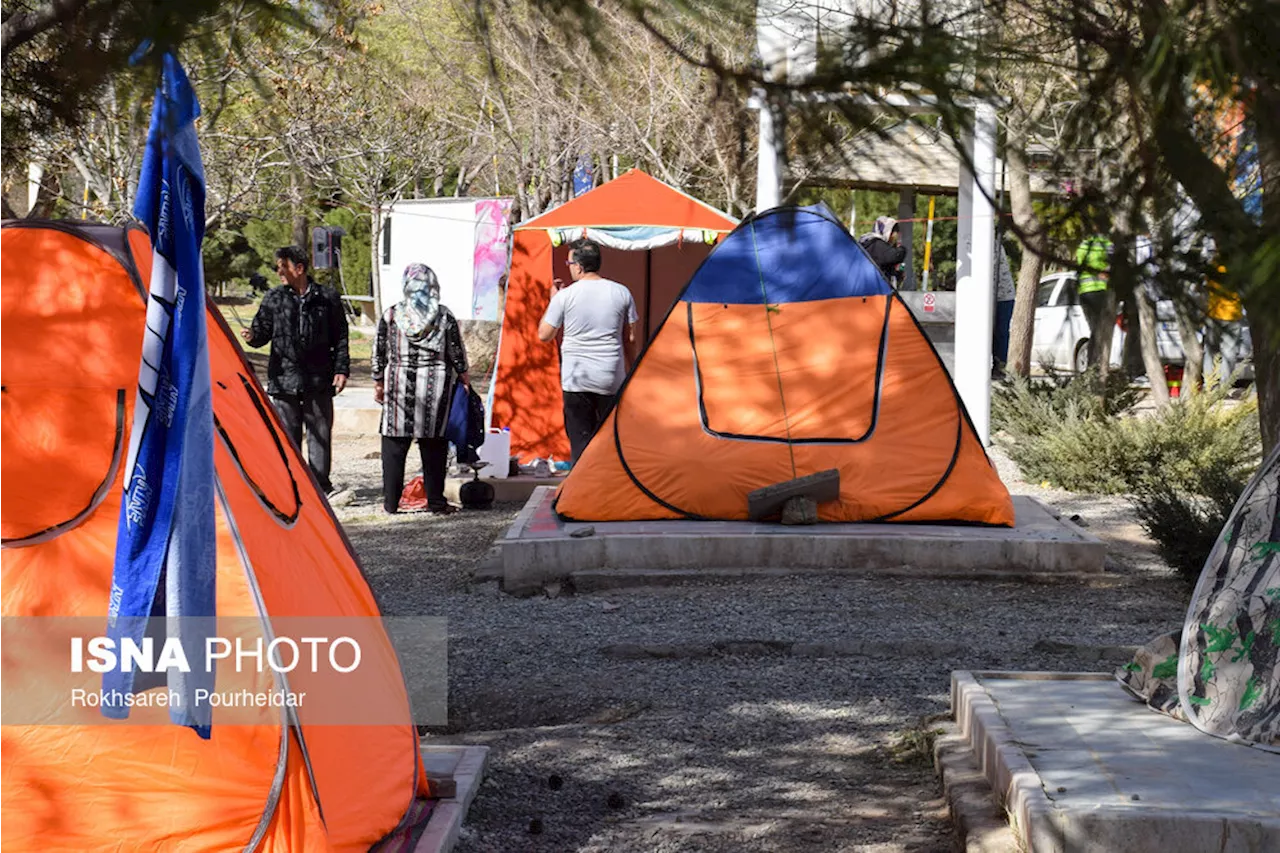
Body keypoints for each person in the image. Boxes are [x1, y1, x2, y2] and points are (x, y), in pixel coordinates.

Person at [241, 245, 349, 497]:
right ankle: (289, 485)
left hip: (319, 378)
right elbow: (261, 333)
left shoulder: (328, 298)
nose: (278, 271)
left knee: (319, 433)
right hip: (283, 379)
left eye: (282, 266)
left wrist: (341, 369)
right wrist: (252, 336)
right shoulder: (273, 298)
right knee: (286, 436)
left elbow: (341, 337)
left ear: (298, 268)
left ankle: (321, 486)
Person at [373, 263, 470, 515]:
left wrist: (378, 379)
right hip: (434, 386)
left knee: (394, 443)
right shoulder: (443, 315)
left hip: (399, 383)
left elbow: (379, 349)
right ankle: (436, 502)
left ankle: (391, 503)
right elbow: (455, 351)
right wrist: (464, 375)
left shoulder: (392, 315)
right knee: (434, 445)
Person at [537, 238, 639, 466]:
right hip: (610, 376)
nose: (569, 267)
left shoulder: (565, 296)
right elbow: (630, 339)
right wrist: (633, 369)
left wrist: (553, 301)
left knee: (580, 439)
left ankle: (580, 492)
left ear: (579, 266)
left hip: (576, 379)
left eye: (569, 263)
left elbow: (544, 335)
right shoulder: (622, 292)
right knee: (608, 439)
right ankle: (607, 489)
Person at [1075, 233, 1116, 369]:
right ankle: (1096, 364)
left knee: (1095, 329)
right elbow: (1114, 266)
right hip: (1100, 291)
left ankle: (1092, 365)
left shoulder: (1083, 245)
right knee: (1100, 330)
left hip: (1084, 293)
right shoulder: (1107, 245)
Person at [858, 216, 908, 284]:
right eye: (895, 232)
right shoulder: (876, 244)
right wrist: (902, 249)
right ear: (888, 231)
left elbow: (883, 266)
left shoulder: (868, 242)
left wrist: (897, 274)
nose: (895, 236)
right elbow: (893, 256)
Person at [992, 243, 1016, 376]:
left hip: (1003, 295)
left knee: (1000, 332)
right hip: (990, 296)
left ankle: (1000, 366)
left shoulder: (991, 242)